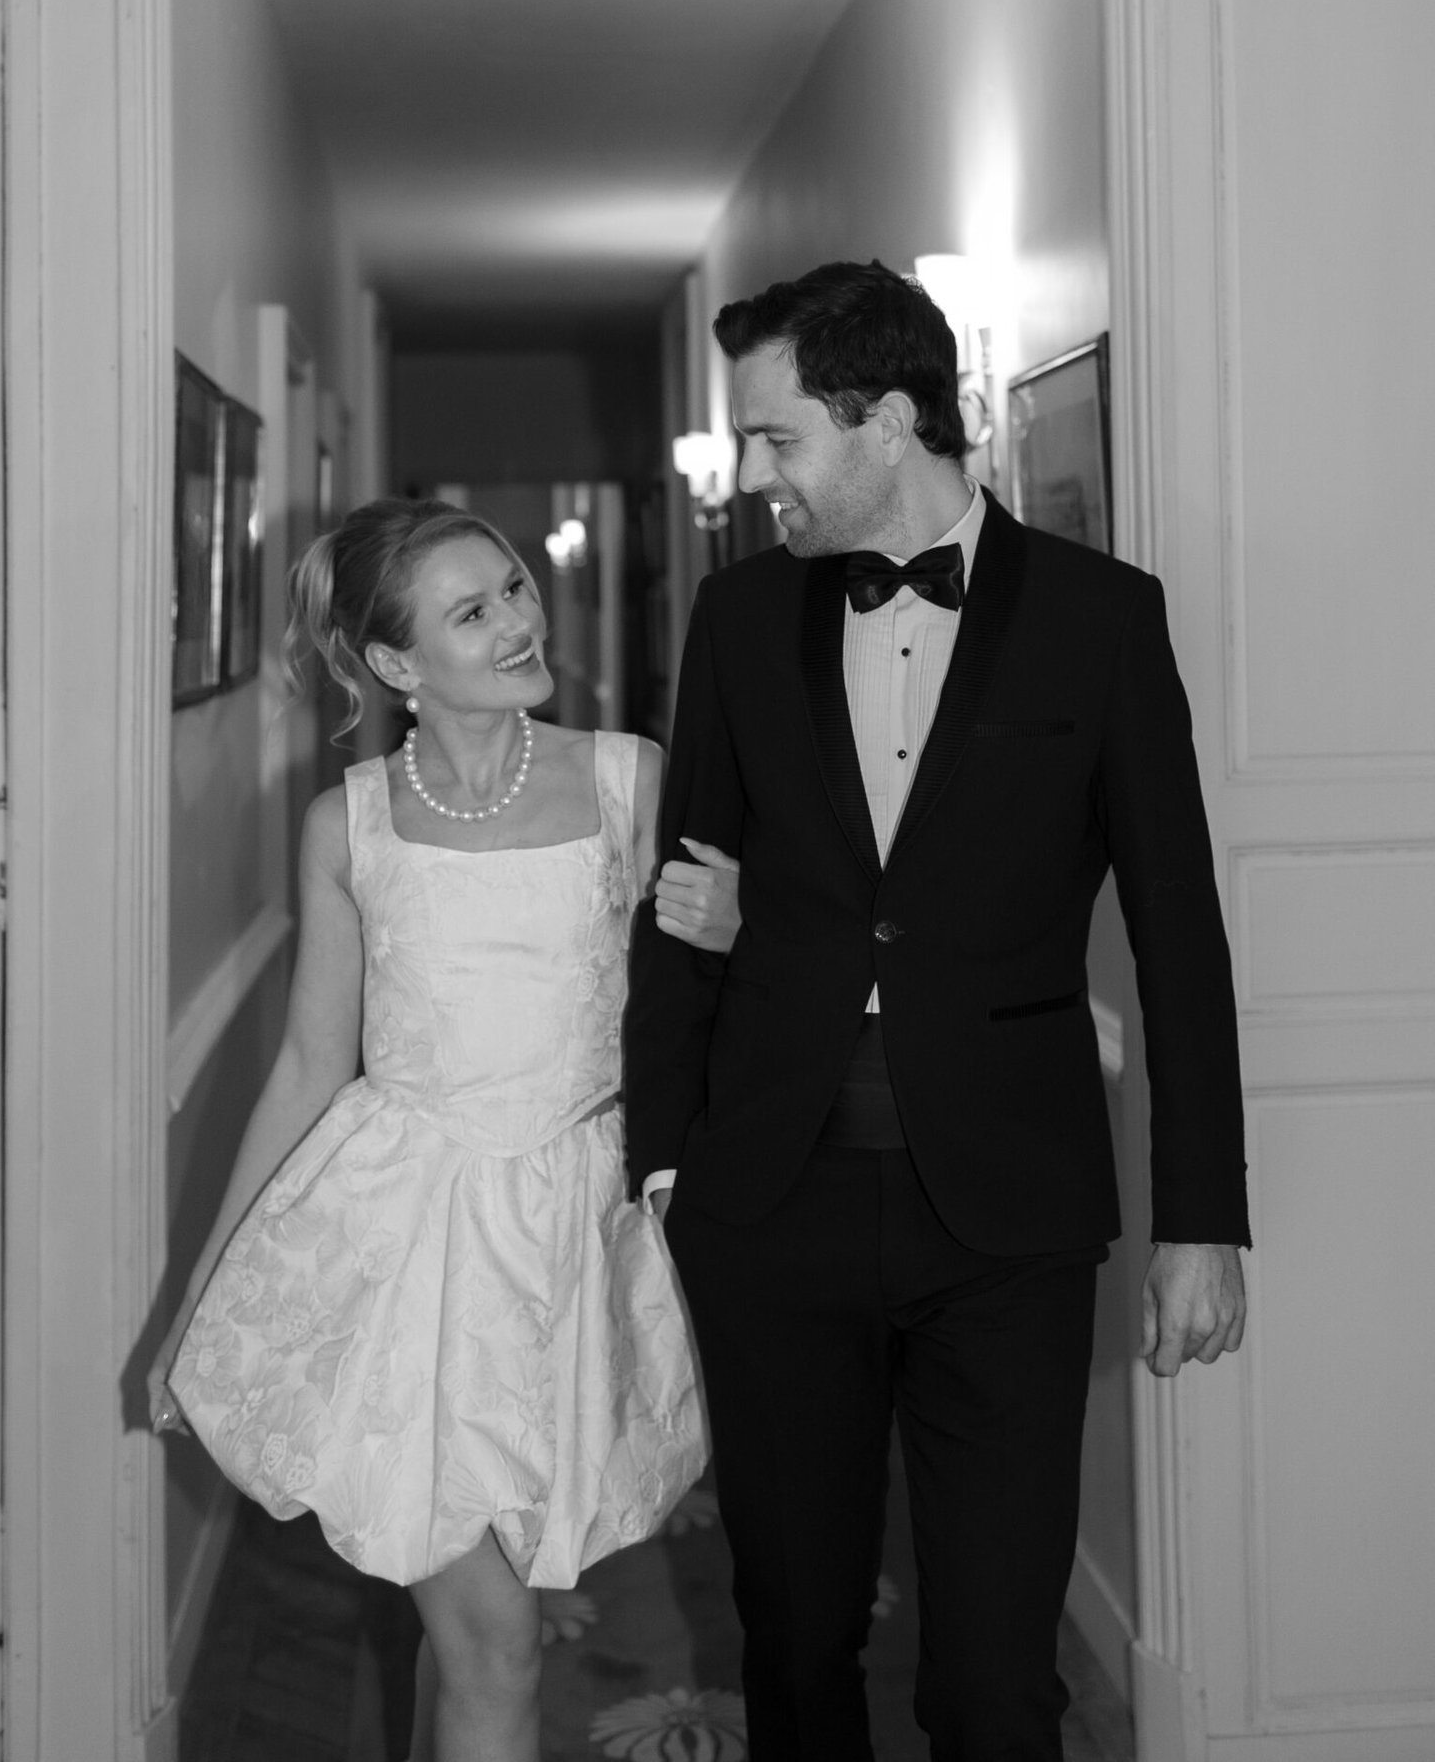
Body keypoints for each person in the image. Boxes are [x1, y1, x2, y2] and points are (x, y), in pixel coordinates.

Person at [626, 259, 1249, 1762]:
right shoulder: (736, 620)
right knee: (793, 1644)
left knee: (988, 1681)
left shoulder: (1103, 621)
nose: (754, 476)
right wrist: (660, 1169)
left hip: (1011, 1224)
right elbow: (686, 908)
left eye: (778, 440)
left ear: (889, 421)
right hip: (772, 1204)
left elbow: (1180, 933)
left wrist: (1202, 1220)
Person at [149, 498, 726, 1762]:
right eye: (475, 611)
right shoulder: (345, 824)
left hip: (573, 1239)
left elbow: (710, 1011)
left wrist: (739, 934)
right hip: (407, 1251)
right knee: (492, 1642)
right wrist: (207, 1283)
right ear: (398, 666)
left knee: (482, 1643)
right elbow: (311, 1061)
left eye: (514, 587)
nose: (522, 620)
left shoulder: (628, 777)